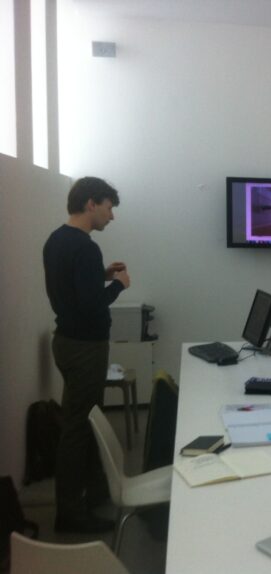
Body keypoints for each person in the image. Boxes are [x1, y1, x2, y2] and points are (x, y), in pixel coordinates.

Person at [43, 177, 130, 533]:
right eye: (109, 207)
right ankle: (70, 513)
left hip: (66, 341)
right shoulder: (85, 247)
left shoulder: (57, 239)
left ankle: (93, 496)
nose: (112, 216)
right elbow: (92, 305)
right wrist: (118, 286)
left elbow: (72, 290)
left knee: (79, 423)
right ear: (91, 203)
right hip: (85, 348)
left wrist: (100, 274)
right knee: (79, 428)